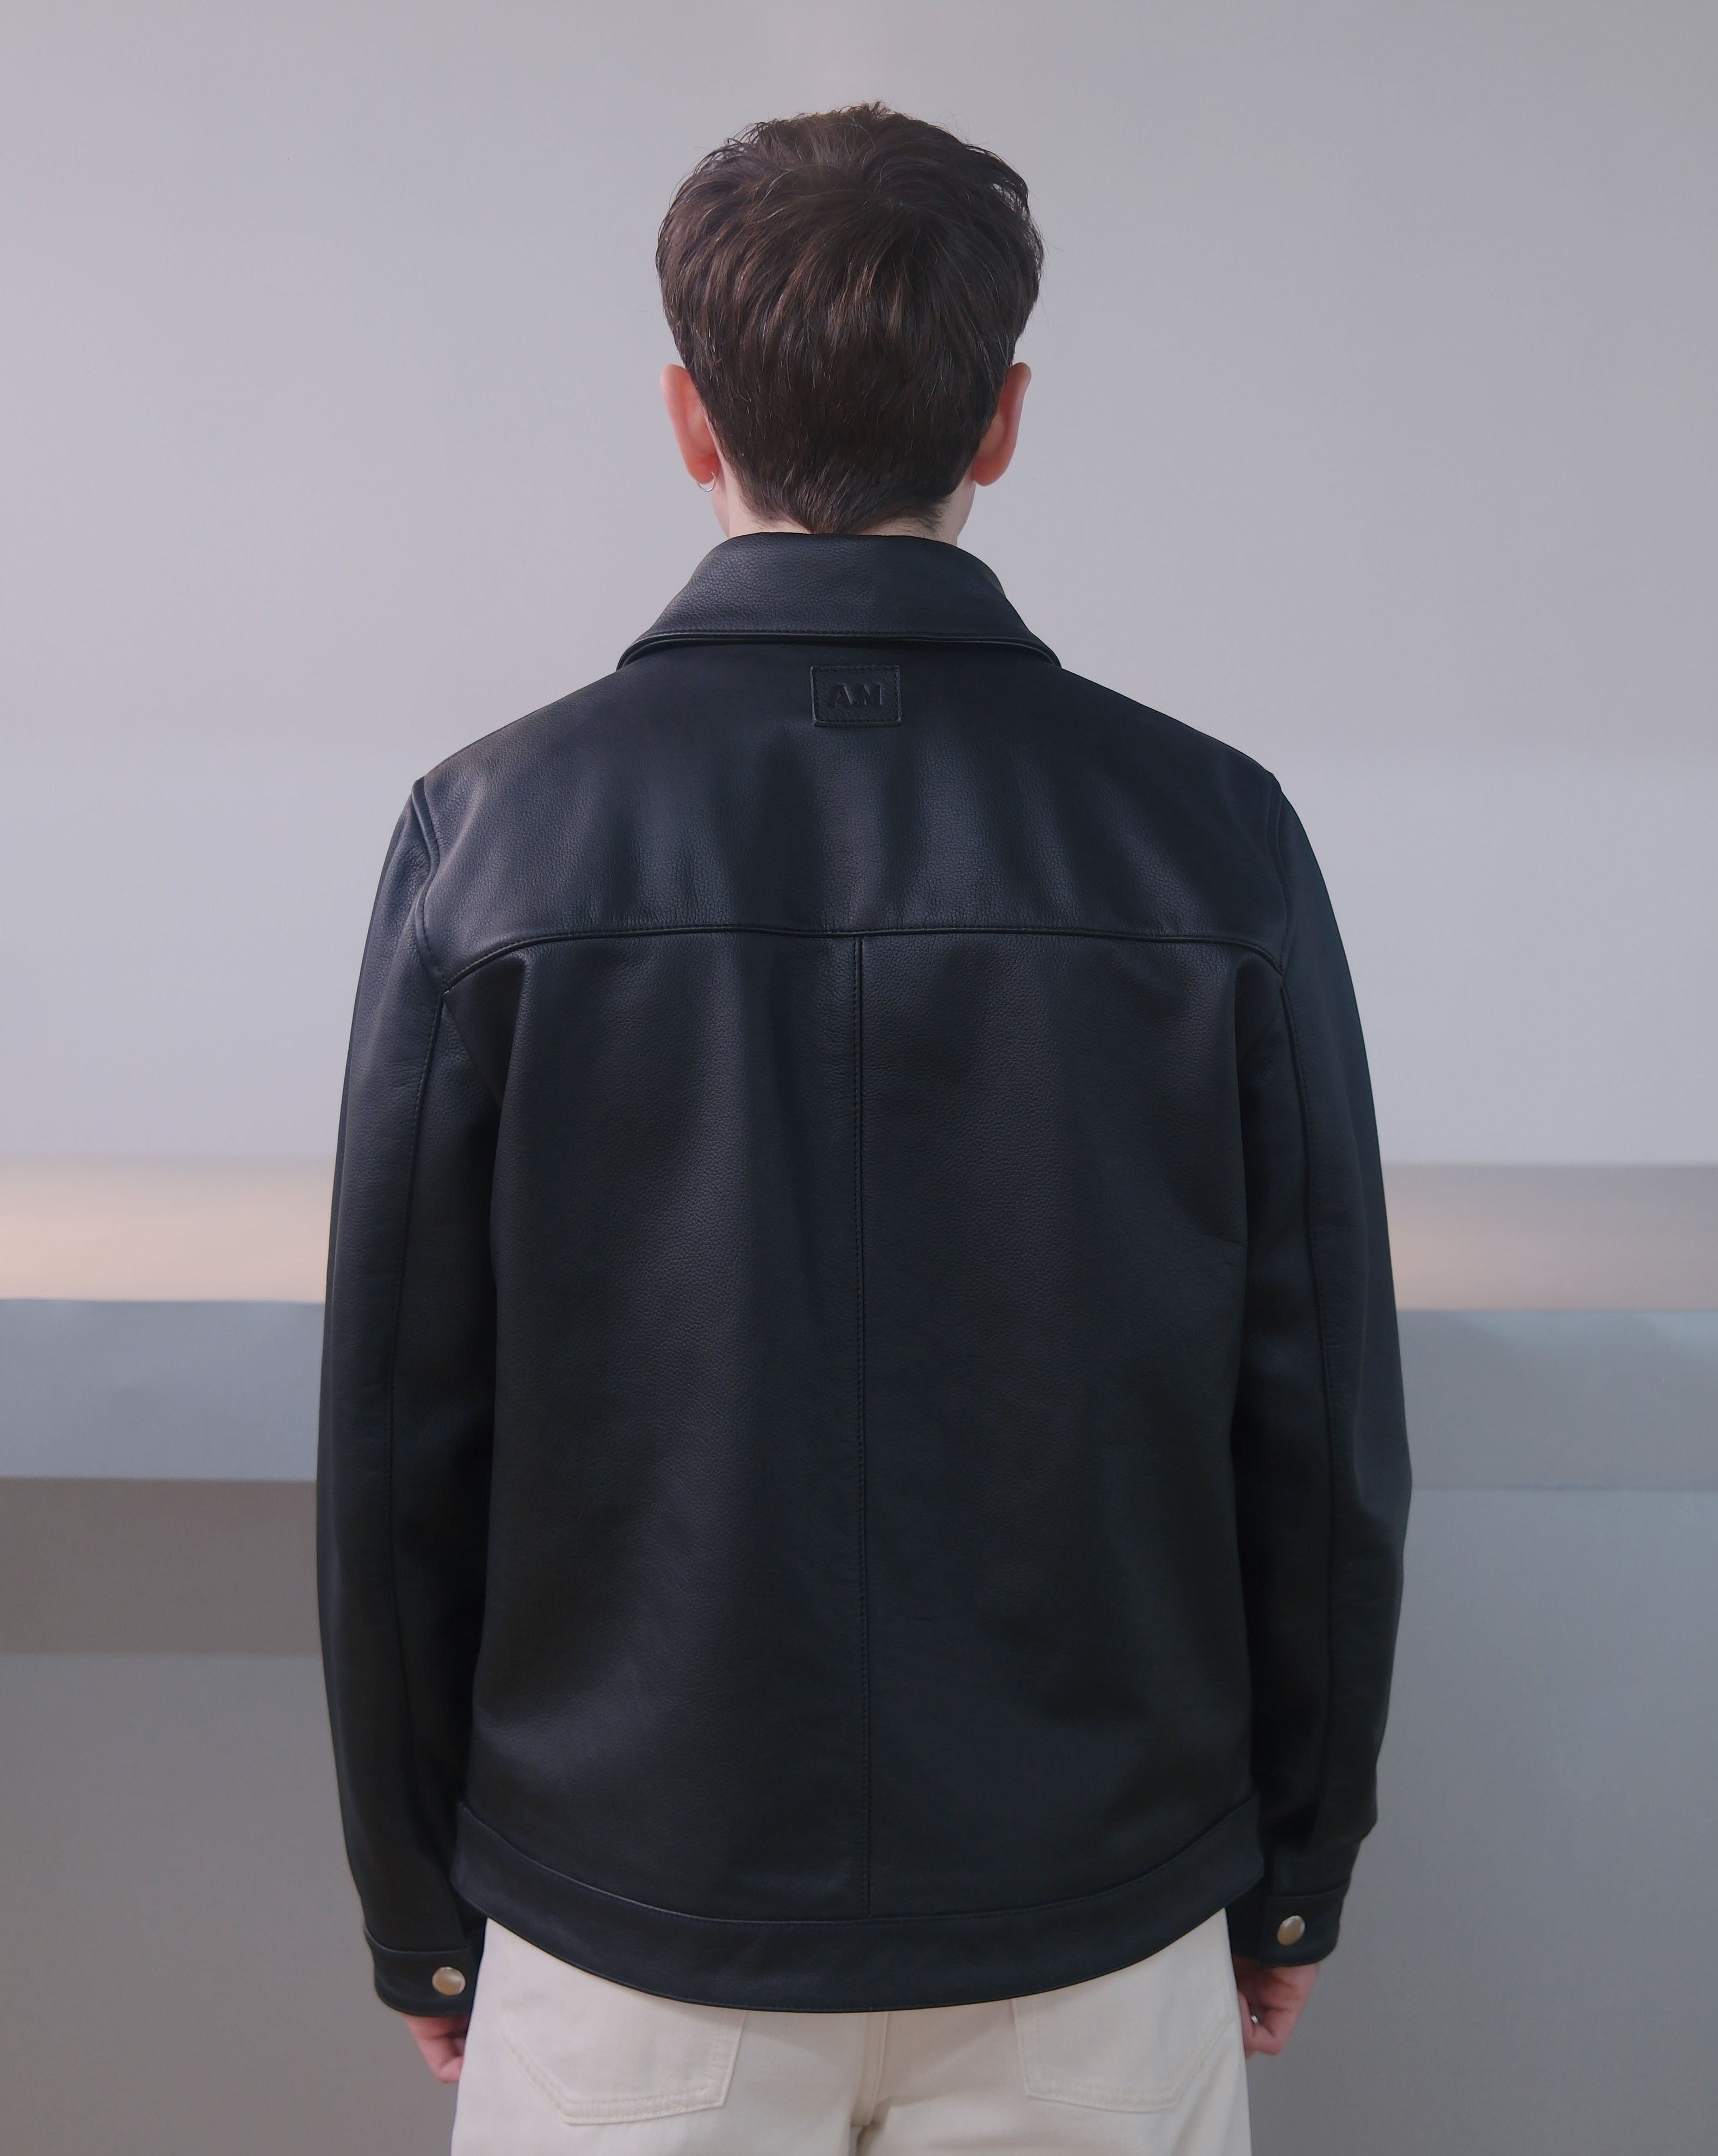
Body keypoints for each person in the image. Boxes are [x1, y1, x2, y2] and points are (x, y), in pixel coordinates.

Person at [318, 104, 1410, 2155]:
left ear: (685, 416)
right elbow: (1320, 1419)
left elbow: (401, 1433)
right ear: (1003, 420)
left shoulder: (493, 835)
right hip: (1096, 1917)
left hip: (627, 1923)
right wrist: (1296, 1866)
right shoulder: (1211, 833)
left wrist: (417, 1907)